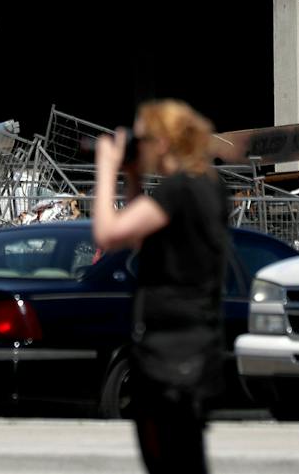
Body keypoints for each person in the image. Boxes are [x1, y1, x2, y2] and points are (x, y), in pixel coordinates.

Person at [93, 100, 229, 474]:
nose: (138, 145)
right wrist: (133, 178)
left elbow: (109, 233)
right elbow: (143, 240)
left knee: (167, 460)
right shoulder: (207, 186)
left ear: (163, 143)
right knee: (186, 460)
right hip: (195, 348)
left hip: (170, 354)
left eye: (142, 139)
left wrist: (105, 170)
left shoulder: (179, 190)